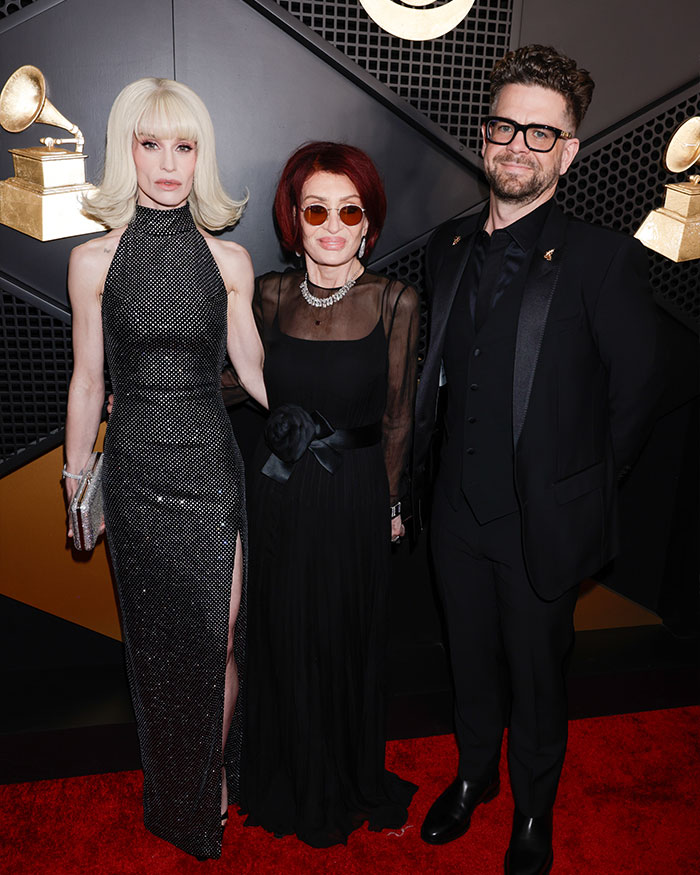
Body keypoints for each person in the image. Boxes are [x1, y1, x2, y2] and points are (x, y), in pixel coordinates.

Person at [413, 46, 659, 874]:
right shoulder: (445, 245)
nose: (518, 145)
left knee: (538, 677)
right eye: (506, 125)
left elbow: (636, 398)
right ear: (486, 133)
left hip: (541, 527)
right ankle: (473, 776)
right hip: (454, 513)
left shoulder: (600, 259)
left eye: (540, 133)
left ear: (569, 150)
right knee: (469, 662)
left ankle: (531, 812)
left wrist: (580, 492)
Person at [63, 77, 267, 861]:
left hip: (212, 470)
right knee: (162, 650)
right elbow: (87, 380)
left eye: (184, 146)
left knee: (218, 640)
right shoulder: (93, 261)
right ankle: (180, 789)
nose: (168, 163)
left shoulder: (230, 260)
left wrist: (326, 422)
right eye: (151, 144)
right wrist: (81, 485)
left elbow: (252, 368)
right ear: (129, 151)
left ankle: (206, 776)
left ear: (200, 154)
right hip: (138, 469)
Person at [236, 142, 419, 846]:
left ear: (368, 221)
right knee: (281, 631)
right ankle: (285, 771)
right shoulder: (270, 294)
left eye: (351, 209)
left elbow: (400, 412)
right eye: (317, 209)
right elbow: (240, 385)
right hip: (278, 492)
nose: (334, 224)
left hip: (353, 500)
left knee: (343, 634)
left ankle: (342, 775)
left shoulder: (394, 299)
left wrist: (393, 504)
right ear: (295, 219)